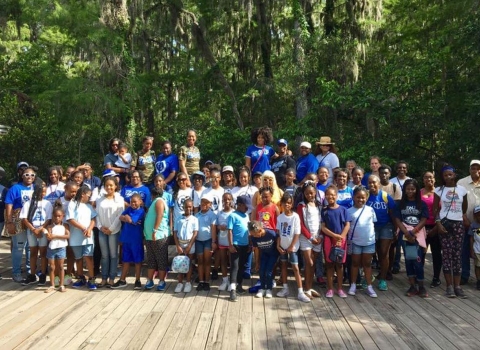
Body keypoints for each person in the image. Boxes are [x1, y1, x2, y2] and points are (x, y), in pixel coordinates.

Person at [433, 165, 468, 298]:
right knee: (447, 255)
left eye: (450, 174)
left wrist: (457, 216)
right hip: (444, 224)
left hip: (458, 224)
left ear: (454, 175)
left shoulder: (462, 190)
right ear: (442, 177)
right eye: (445, 175)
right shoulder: (439, 190)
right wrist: (438, 224)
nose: (448, 177)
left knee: (457, 255)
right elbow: (435, 209)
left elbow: (464, 208)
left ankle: (457, 286)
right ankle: (449, 287)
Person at [394, 179, 429, 297]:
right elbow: (398, 220)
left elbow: (424, 219)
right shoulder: (400, 204)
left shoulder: (421, 204)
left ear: (416, 190)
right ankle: (412, 286)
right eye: (408, 189)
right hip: (405, 236)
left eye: (413, 189)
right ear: (404, 190)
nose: (410, 191)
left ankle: (422, 286)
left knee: (418, 261)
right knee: (409, 260)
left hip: (417, 235)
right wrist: (406, 233)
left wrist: (414, 231)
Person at [276, 193, 310, 302]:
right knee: (284, 266)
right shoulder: (280, 217)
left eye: (289, 203)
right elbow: (278, 232)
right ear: (281, 204)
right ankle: (285, 288)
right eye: (285, 202)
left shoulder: (295, 216)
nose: (287, 205)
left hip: (293, 248)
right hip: (282, 247)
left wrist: (291, 246)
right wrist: (278, 245)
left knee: (295, 268)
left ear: (292, 204)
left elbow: (297, 233)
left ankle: (300, 292)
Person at [5, 166, 35, 282]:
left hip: (31, 220)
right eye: (27, 174)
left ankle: (29, 271)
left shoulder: (36, 188)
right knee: (18, 247)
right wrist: (9, 221)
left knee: (30, 247)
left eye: (32, 175)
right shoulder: (15, 188)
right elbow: (9, 205)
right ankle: (16, 272)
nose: (29, 177)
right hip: (18, 220)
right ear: (22, 175)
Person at [366, 175, 396, 291]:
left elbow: (393, 213)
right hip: (370, 227)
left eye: (374, 182)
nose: (371, 185)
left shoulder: (385, 196)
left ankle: (383, 279)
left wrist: (395, 229)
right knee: (369, 253)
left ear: (378, 183)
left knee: (384, 253)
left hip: (385, 226)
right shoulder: (366, 196)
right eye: (369, 183)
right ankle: (367, 277)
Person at [347, 186, 378, 297]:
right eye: (358, 197)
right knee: (355, 264)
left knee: (367, 264)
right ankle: (353, 284)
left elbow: (373, 224)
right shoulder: (349, 211)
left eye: (363, 197)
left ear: (367, 197)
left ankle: (369, 286)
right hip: (355, 242)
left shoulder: (370, 210)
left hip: (369, 242)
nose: (360, 199)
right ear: (353, 197)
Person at [20, 182, 53, 285]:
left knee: (43, 253)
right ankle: (32, 275)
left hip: (42, 230)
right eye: (41, 191)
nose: (43, 193)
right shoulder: (29, 203)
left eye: (44, 192)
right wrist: (34, 230)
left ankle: (43, 274)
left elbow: (49, 219)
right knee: (33, 252)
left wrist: (41, 229)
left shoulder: (47, 203)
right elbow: (25, 219)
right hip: (32, 230)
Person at [321, 186, 351, 298]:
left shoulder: (343, 210)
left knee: (339, 265)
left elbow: (347, 225)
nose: (330, 197)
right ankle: (330, 289)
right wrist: (334, 236)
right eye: (328, 195)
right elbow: (323, 227)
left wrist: (340, 238)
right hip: (329, 240)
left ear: (337, 195)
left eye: (333, 194)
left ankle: (340, 288)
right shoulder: (324, 211)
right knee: (329, 265)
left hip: (341, 242)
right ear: (325, 196)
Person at [67, 185, 97, 290]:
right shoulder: (72, 204)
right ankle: (81, 278)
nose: (89, 198)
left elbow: (94, 218)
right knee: (78, 259)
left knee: (89, 257)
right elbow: (70, 219)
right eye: (88, 195)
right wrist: (83, 228)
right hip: (76, 237)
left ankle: (92, 279)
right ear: (82, 194)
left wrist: (89, 229)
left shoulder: (88, 206)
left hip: (88, 237)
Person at [95, 176, 124, 288]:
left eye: (111, 185)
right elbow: (96, 215)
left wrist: (111, 229)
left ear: (115, 186)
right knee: (104, 255)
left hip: (114, 230)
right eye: (107, 185)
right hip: (102, 230)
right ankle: (103, 278)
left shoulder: (119, 199)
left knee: (113, 255)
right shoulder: (100, 199)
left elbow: (119, 216)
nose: (109, 187)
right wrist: (101, 227)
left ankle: (112, 278)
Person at [114, 194, 146, 290]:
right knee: (125, 260)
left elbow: (133, 220)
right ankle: (122, 280)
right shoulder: (129, 209)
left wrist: (127, 218)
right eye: (131, 201)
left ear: (140, 202)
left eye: (135, 201)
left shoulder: (141, 211)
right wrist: (126, 218)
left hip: (136, 240)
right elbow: (121, 217)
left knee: (137, 261)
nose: (133, 203)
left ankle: (138, 280)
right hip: (126, 239)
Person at [297, 182, 323, 298]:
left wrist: (319, 237)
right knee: (309, 262)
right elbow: (301, 224)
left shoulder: (319, 205)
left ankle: (309, 287)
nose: (310, 195)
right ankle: (305, 289)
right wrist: (310, 237)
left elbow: (321, 222)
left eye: (312, 193)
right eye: (307, 193)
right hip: (306, 238)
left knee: (313, 265)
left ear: (315, 193)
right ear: (304, 194)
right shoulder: (301, 206)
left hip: (318, 238)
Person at [457, 159, 480, 285]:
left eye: (478, 168)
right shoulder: (462, 183)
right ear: (469, 169)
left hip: (479, 225)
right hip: (465, 222)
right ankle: (465, 275)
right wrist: (464, 217)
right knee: (464, 249)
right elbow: (457, 202)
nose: (476, 170)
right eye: (473, 168)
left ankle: (479, 279)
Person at [143, 187, 170, 291]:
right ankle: (150, 281)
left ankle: (162, 281)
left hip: (158, 236)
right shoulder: (154, 202)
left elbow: (160, 215)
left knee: (161, 260)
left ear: (152, 195)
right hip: (150, 237)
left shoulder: (159, 201)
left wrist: (154, 230)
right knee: (151, 260)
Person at [421, 171, 442, 287]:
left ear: (435, 179)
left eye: (431, 177)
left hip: (436, 226)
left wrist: (436, 227)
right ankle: (420, 276)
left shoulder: (439, 193)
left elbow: (442, 210)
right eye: (426, 177)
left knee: (436, 253)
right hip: (422, 227)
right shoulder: (419, 193)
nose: (429, 179)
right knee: (421, 254)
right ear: (423, 180)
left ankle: (436, 278)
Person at [227, 195, 251, 302]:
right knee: (235, 267)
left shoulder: (246, 216)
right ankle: (232, 289)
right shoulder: (233, 215)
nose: (247, 209)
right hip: (236, 245)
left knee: (242, 266)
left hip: (245, 245)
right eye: (246, 206)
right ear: (240, 205)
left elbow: (249, 231)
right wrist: (231, 244)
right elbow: (230, 231)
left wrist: (250, 244)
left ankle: (239, 286)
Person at [249, 220, 278, 299]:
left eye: (255, 234)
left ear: (260, 230)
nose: (254, 236)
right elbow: (257, 249)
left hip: (273, 254)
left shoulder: (270, 233)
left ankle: (269, 289)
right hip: (264, 254)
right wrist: (257, 262)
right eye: (252, 234)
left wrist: (278, 246)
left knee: (268, 272)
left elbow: (278, 238)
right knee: (261, 271)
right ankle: (262, 288)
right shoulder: (253, 238)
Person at [173, 198, 197, 293]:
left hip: (190, 243)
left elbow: (195, 233)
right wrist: (178, 245)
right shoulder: (178, 219)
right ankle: (179, 283)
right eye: (186, 207)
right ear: (183, 207)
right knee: (180, 262)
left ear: (192, 207)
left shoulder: (194, 219)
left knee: (189, 263)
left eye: (190, 207)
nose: (188, 209)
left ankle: (188, 282)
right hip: (180, 243)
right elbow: (175, 232)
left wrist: (189, 246)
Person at [195, 193, 217, 291]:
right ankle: (201, 281)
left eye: (206, 202)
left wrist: (213, 241)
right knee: (200, 261)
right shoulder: (196, 215)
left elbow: (213, 229)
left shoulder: (212, 215)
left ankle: (207, 281)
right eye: (202, 202)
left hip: (208, 241)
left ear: (210, 204)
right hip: (198, 241)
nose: (203, 204)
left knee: (207, 261)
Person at [44, 206, 70, 292]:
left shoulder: (65, 226)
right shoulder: (50, 227)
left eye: (59, 216)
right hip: (52, 248)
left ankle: (61, 285)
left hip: (61, 248)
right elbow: (49, 237)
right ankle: (52, 285)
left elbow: (68, 235)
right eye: (55, 216)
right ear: (52, 216)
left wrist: (56, 236)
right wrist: (48, 235)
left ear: (63, 216)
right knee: (51, 267)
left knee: (61, 266)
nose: (57, 218)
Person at [216, 193, 235, 291]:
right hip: (222, 241)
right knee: (223, 261)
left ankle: (232, 281)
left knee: (232, 262)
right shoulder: (219, 213)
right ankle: (224, 280)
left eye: (228, 199)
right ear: (222, 201)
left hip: (231, 242)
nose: (227, 201)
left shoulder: (234, 213)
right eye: (224, 199)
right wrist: (220, 227)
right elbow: (216, 226)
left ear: (232, 200)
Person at [468, 206, 480, 290]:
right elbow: (471, 238)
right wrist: (471, 250)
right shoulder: (473, 226)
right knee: (477, 266)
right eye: (478, 215)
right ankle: (478, 280)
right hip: (477, 249)